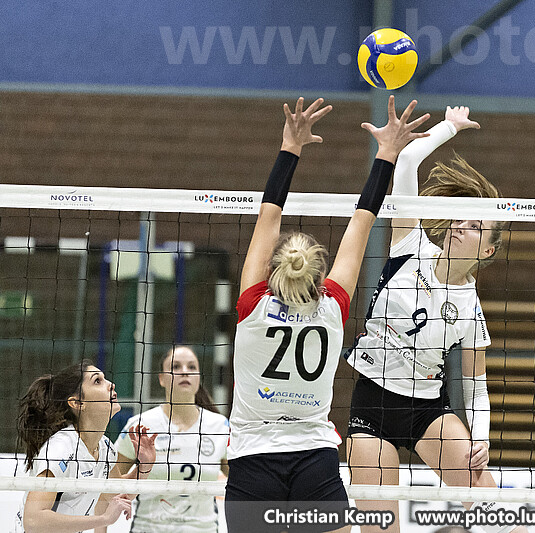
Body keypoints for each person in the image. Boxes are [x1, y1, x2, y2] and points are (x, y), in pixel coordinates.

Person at [223, 95, 430, 533]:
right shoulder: (331, 307)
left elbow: (269, 215)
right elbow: (363, 220)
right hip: (314, 457)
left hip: (252, 455)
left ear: (274, 269)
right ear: (319, 273)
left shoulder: (253, 305)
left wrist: (290, 146)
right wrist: (387, 153)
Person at [345, 106, 525, 533]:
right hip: (372, 404)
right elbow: (407, 160)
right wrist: (450, 127)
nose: (461, 224)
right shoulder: (411, 245)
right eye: (462, 216)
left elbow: (476, 385)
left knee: (502, 517)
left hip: (427, 411)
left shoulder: (471, 309)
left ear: (487, 250)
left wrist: (481, 436)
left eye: (476, 226)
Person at [16, 359, 156, 533]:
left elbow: (119, 495)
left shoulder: (105, 447)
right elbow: (33, 520)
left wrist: (144, 466)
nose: (111, 384)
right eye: (97, 381)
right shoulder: (61, 448)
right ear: (77, 403)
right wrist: (104, 519)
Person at [114, 346, 230, 532]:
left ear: (199, 378)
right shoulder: (140, 425)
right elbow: (109, 483)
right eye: (176, 366)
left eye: (191, 367)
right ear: (161, 379)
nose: (185, 371)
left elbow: (241, 484)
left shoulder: (220, 426)